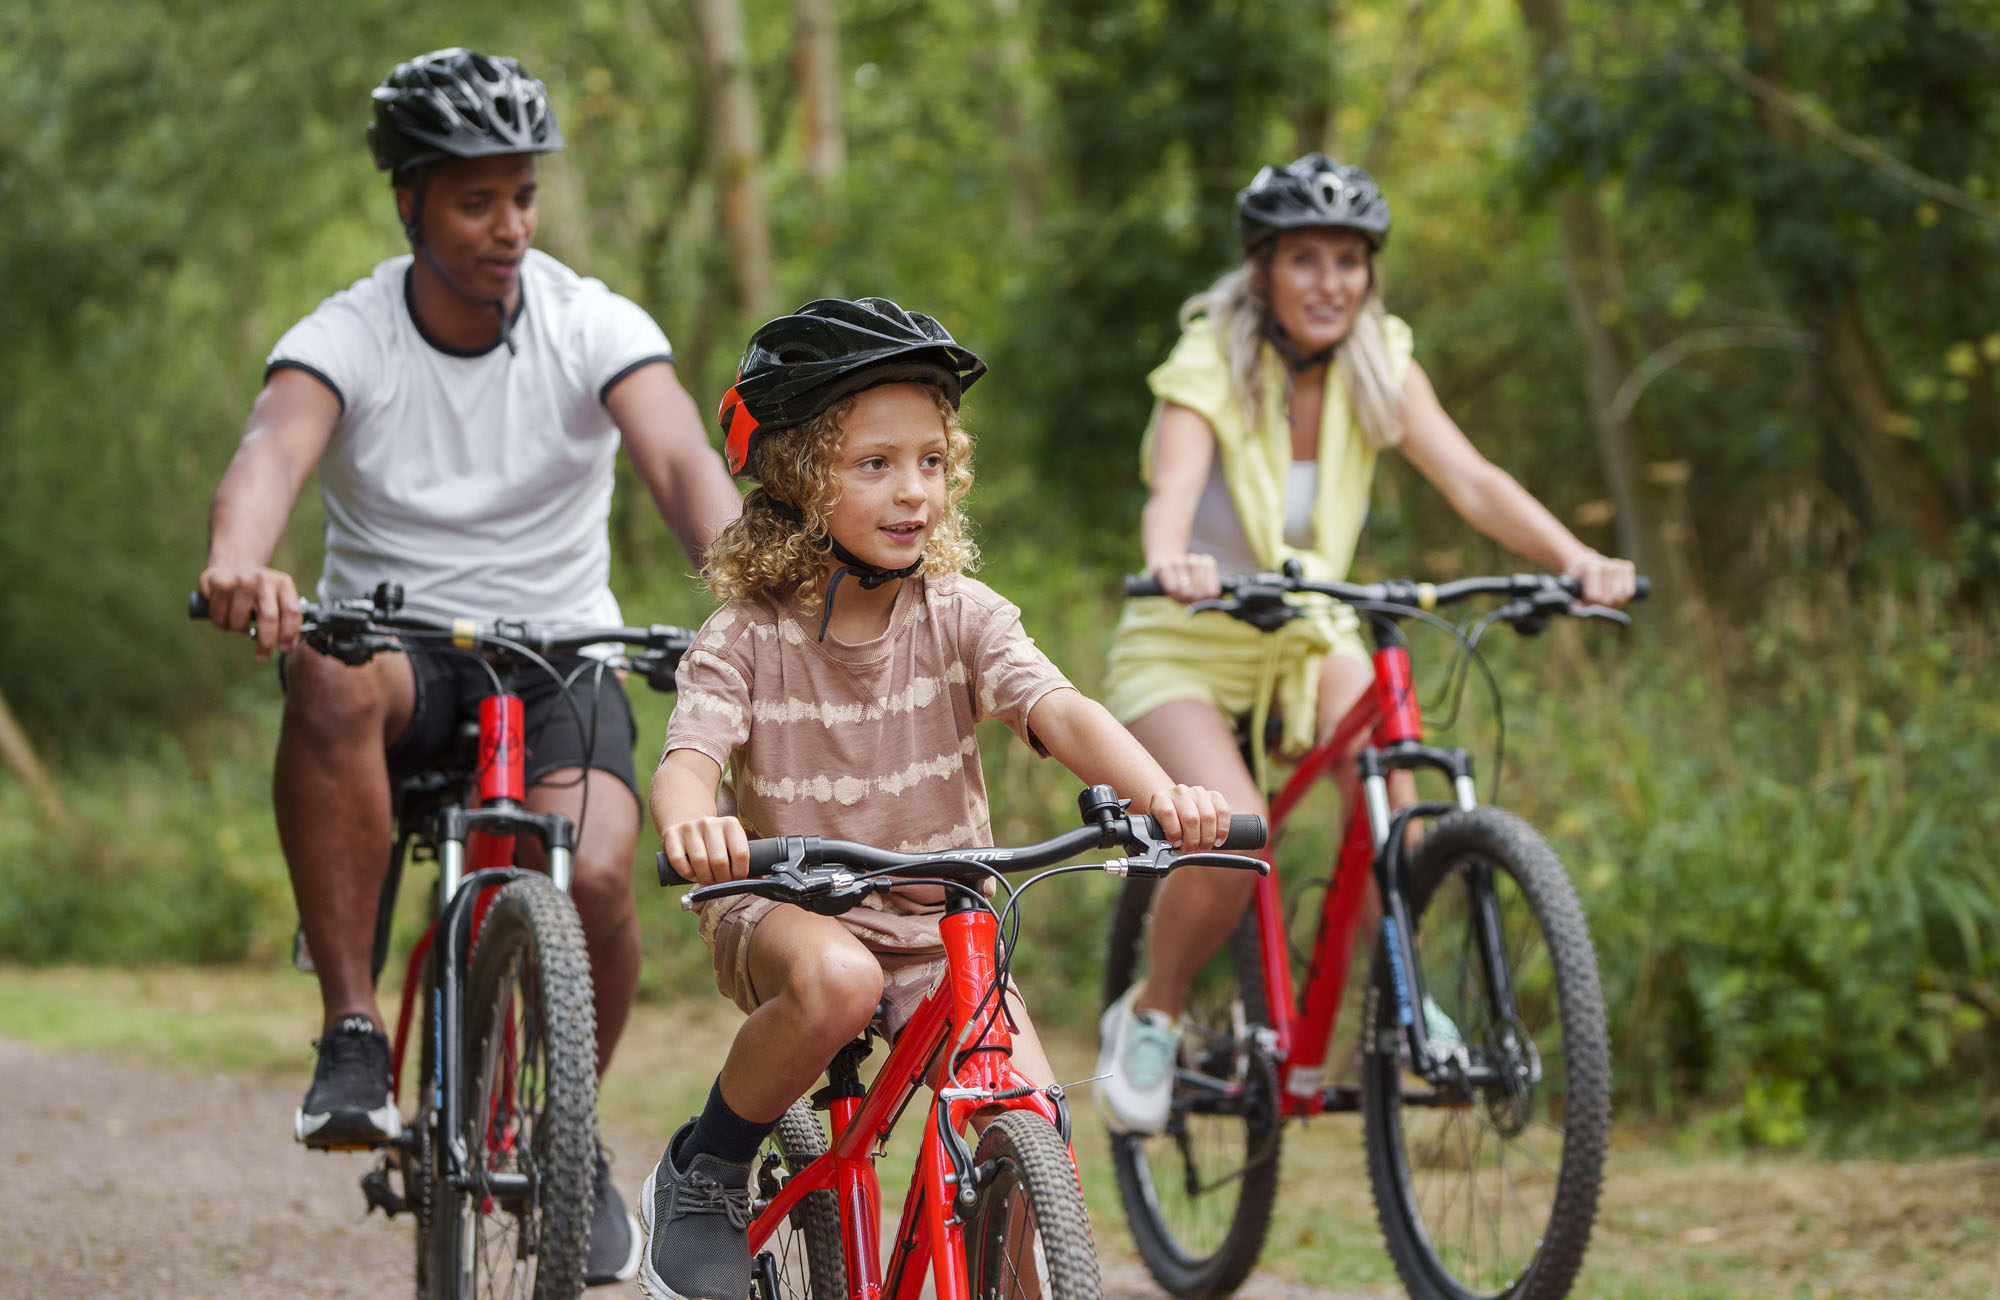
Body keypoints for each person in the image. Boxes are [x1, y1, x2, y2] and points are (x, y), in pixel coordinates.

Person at [195, 48, 741, 1284]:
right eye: (474, 200)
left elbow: (680, 466)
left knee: (599, 877)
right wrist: (243, 560)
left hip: (560, 658)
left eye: (522, 196)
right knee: (326, 675)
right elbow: (271, 452)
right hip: (398, 652)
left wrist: (745, 594)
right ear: (410, 204)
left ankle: (565, 1136)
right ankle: (348, 1031)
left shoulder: (590, 321)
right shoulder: (349, 331)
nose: (508, 227)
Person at [638, 297, 1231, 1300]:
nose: (910, 490)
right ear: (792, 476)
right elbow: (687, 759)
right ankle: (707, 1168)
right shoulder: (743, 638)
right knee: (836, 984)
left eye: (928, 460)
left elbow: (1061, 711)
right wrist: (696, 819)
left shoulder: (959, 615)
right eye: (872, 464)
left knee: (1031, 1126)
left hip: (937, 917)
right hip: (785, 906)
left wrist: (1164, 792)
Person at [1093, 153, 1640, 1135]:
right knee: (1228, 836)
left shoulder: (1377, 360)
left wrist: (1573, 557)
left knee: (1403, 801)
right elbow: (1168, 489)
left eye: (1347, 261)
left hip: (1303, 633)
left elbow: (1469, 480)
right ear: (1261, 268)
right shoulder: (1205, 362)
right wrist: (1169, 558)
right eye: (1303, 258)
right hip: (1185, 637)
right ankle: (1152, 1010)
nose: (1328, 282)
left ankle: (1393, 1000)